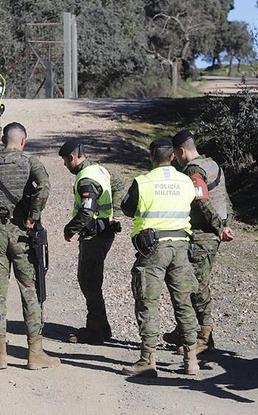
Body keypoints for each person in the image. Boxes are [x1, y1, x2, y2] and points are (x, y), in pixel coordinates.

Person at [0, 122, 59, 370]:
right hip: (22, 234)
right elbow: (44, 188)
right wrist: (32, 217)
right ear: (23, 141)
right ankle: (34, 353)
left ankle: (0, 354)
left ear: (4, 140)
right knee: (29, 291)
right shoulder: (30, 162)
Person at [120, 137, 200, 377]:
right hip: (181, 246)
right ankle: (191, 359)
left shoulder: (143, 182)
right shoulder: (186, 180)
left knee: (148, 302)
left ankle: (147, 360)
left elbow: (127, 208)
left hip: (153, 247)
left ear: (151, 157)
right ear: (173, 156)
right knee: (184, 303)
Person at [162, 129, 234, 355]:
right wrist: (225, 223)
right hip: (213, 232)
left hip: (203, 235)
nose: (176, 159)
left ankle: (203, 337)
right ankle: (186, 330)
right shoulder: (213, 164)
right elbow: (225, 198)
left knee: (196, 285)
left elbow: (202, 202)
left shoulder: (194, 170)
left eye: (176, 154)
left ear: (181, 151)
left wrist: (218, 227)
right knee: (192, 282)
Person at [58, 139, 123, 344]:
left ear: (72, 157)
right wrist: (115, 212)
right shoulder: (99, 169)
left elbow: (87, 210)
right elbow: (119, 182)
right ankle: (102, 327)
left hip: (94, 235)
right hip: (103, 232)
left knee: (89, 281)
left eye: (65, 162)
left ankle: (95, 331)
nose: (66, 166)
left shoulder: (86, 179)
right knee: (92, 280)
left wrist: (70, 229)